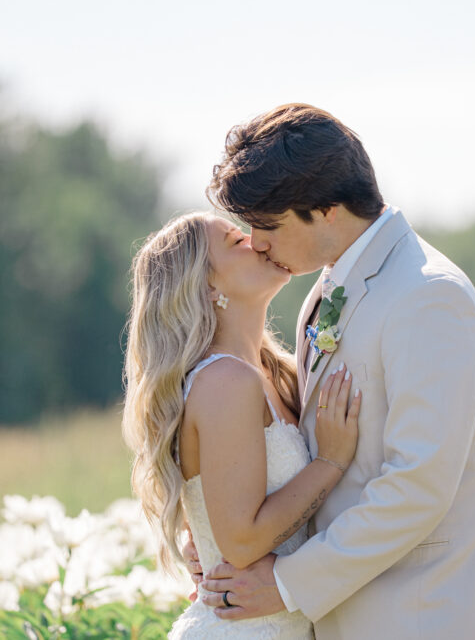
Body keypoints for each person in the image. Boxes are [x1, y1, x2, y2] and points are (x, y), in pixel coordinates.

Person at [192, 103, 475, 639]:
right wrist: (215, 533)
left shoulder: (430, 297)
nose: (256, 243)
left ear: (326, 209)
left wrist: (287, 582)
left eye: (268, 225)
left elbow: (417, 486)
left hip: (424, 617)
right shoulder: (325, 292)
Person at [121, 211, 362, 639]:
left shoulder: (280, 372)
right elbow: (243, 542)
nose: (259, 241)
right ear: (208, 287)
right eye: (237, 241)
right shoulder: (224, 382)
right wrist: (328, 461)